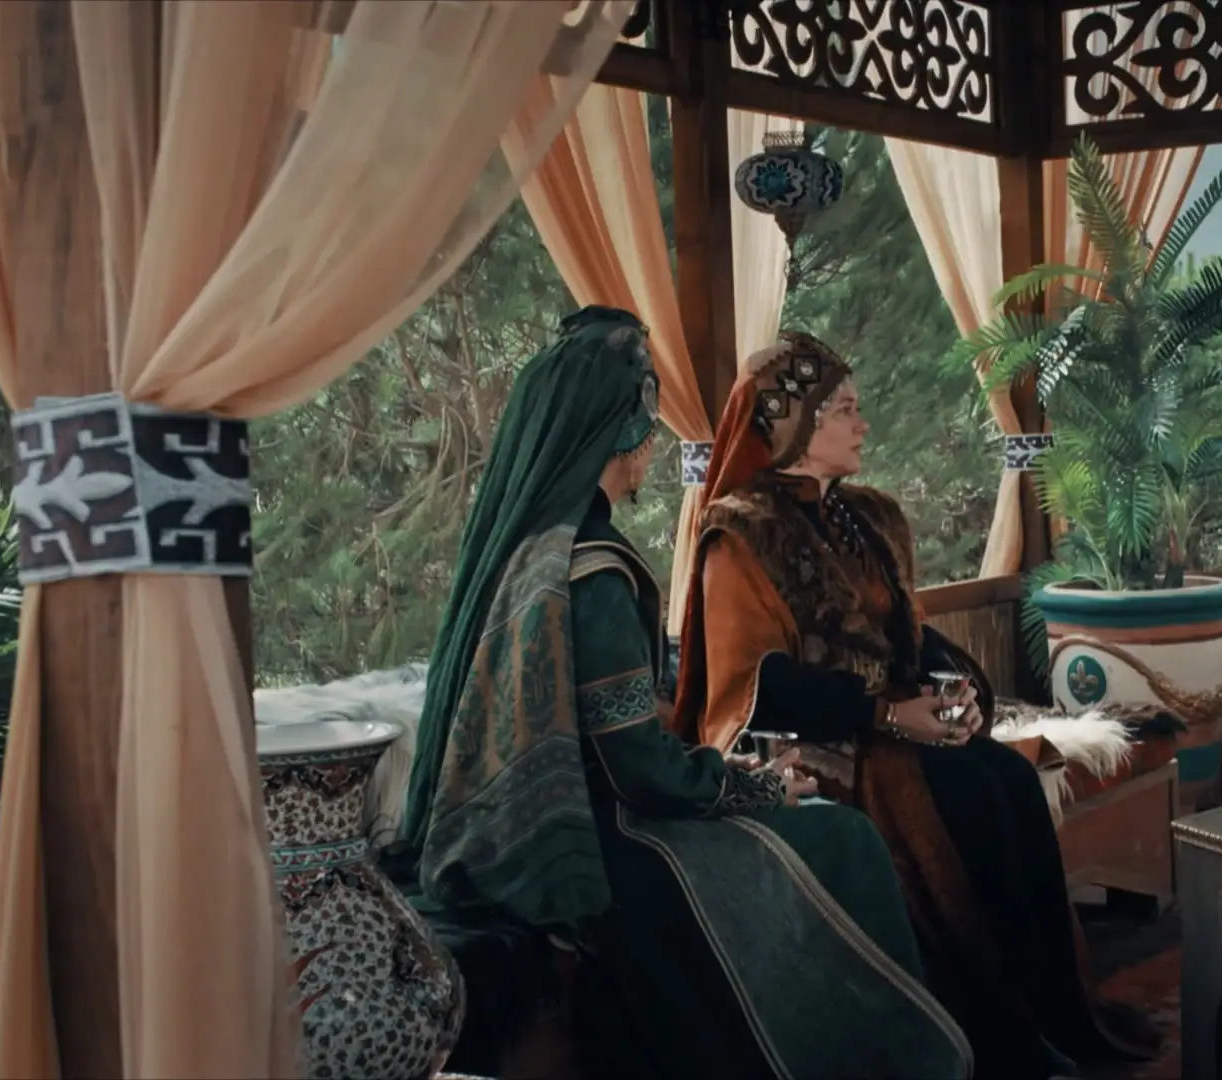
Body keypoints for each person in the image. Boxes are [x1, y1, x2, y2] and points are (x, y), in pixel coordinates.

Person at [391, 307, 971, 1080]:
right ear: (618, 435)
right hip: (605, 836)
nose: (653, 446)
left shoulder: (536, 547)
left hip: (544, 820)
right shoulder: (595, 570)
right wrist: (754, 786)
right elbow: (636, 768)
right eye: (646, 426)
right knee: (844, 838)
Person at [672, 331, 1159, 1080]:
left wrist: (953, 691)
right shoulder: (738, 537)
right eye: (845, 409)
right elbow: (758, 688)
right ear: (793, 423)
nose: (862, 423)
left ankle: (1048, 1012)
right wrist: (889, 715)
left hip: (893, 727)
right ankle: (993, 1034)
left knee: (1009, 779)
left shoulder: (867, 518)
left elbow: (909, 633)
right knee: (965, 797)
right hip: (817, 742)